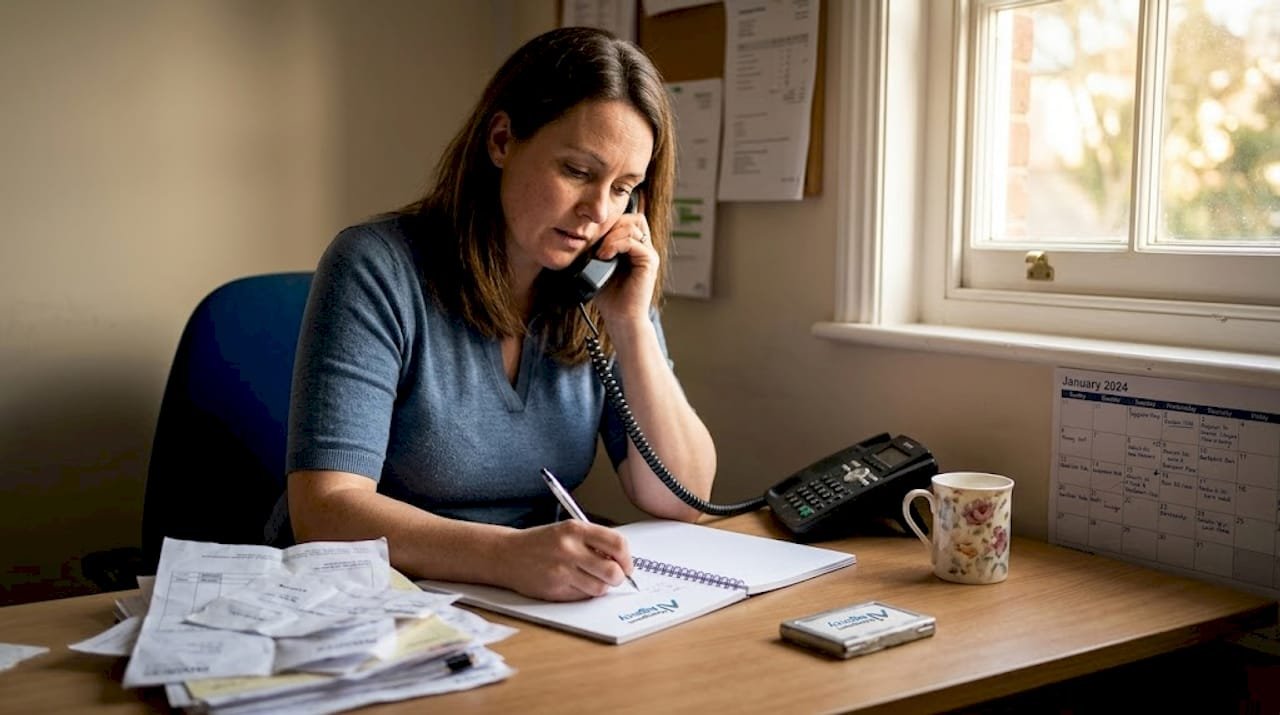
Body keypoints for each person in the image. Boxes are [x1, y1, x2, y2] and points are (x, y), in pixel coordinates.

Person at [266, 27, 717, 602]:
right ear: (502, 140)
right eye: (578, 172)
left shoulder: (601, 286)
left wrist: (631, 324)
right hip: (370, 601)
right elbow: (324, 512)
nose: (597, 212)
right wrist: (508, 556)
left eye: (623, 187)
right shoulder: (376, 265)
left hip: (526, 600)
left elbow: (682, 498)